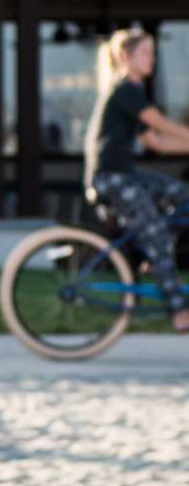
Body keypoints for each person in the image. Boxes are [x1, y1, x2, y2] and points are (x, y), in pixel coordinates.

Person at [85, 25, 189, 331]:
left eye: (153, 54)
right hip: (111, 179)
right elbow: (161, 125)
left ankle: (155, 257)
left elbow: (155, 142)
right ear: (125, 56)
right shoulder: (125, 90)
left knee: (182, 195)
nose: (152, 60)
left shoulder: (131, 93)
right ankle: (180, 311)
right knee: (156, 232)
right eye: (146, 53)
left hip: (127, 175)